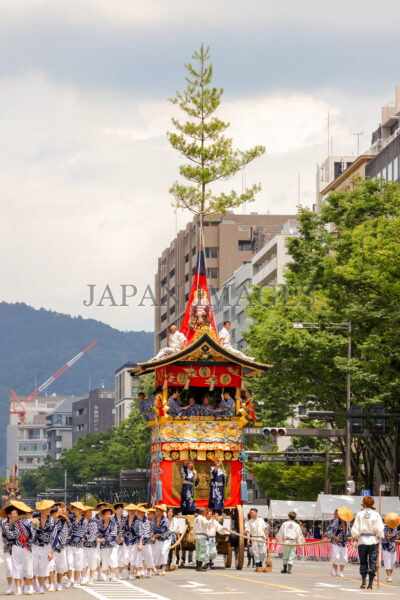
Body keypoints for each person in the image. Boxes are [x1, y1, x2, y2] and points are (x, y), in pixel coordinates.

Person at [2, 501, 35, 596]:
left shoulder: (13, 522)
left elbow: (9, 535)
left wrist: (17, 537)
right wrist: (28, 540)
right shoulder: (30, 522)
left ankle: (18, 588)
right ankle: (28, 588)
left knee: (16, 567)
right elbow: (33, 535)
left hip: (16, 546)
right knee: (28, 567)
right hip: (26, 547)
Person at [351, 495, 384, 590]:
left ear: (363, 503)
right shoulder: (376, 514)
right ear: (372, 503)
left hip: (362, 540)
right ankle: (370, 584)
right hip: (373, 540)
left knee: (363, 561)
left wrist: (354, 535)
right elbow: (380, 528)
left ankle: (363, 582)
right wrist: (380, 535)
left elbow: (356, 527)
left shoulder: (360, 514)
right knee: (373, 561)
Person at [32, 500, 57, 594]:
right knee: (34, 566)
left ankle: (41, 586)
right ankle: (33, 583)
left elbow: (54, 537)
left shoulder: (51, 521)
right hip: (35, 545)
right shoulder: (35, 517)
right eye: (46, 508)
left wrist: (51, 552)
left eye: (49, 508)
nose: (48, 510)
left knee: (43, 567)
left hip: (46, 546)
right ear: (42, 509)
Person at [65, 501, 88, 588]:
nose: (75, 511)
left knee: (78, 564)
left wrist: (68, 537)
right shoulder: (70, 518)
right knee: (70, 562)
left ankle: (75, 581)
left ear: (80, 510)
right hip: (70, 545)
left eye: (77, 509)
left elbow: (80, 535)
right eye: (74, 509)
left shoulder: (84, 521)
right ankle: (69, 580)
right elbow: (67, 529)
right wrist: (68, 536)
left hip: (79, 546)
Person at [326, 507, 352, 578]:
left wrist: (351, 540)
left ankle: (341, 572)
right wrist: (335, 537)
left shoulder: (347, 523)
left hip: (344, 542)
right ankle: (334, 569)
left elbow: (349, 533)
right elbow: (329, 532)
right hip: (336, 542)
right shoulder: (336, 521)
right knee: (336, 557)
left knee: (343, 558)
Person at [98, 507, 118, 582]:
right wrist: (99, 538)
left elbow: (113, 536)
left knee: (112, 559)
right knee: (105, 560)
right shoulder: (99, 523)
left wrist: (101, 539)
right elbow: (98, 532)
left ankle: (113, 575)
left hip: (112, 545)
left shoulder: (113, 524)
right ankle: (106, 575)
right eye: (107, 514)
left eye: (110, 514)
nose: (108, 516)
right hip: (103, 546)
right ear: (103, 515)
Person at [52, 504, 69, 591]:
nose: (59, 511)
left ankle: (58, 584)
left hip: (60, 548)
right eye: (57, 510)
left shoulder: (63, 521)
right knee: (51, 567)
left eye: (60, 509)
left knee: (60, 567)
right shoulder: (49, 521)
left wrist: (57, 545)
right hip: (50, 548)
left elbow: (64, 535)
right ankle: (50, 583)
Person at [133, 506, 154, 578]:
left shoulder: (147, 522)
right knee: (139, 556)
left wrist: (149, 537)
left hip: (147, 541)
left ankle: (148, 571)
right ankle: (138, 571)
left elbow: (149, 532)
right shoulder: (135, 521)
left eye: (140, 511)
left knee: (148, 556)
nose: (138, 513)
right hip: (138, 541)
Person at [151, 504, 171, 576]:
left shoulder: (165, 520)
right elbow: (152, 529)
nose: (157, 512)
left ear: (162, 512)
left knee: (163, 552)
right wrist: (152, 535)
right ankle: (157, 569)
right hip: (157, 539)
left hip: (166, 539)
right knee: (156, 554)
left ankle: (163, 568)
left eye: (159, 511)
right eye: (156, 511)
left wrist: (155, 536)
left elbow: (163, 531)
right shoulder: (154, 519)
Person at [81, 506, 99, 586]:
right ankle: (84, 578)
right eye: (87, 512)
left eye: (90, 512)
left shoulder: (94, 522)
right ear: (83, 513)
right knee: (83, 562)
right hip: (83, 546)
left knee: (92, 562)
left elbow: (93, 535)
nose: (89, 513)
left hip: (92, 546)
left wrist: (84, 537)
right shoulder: (81, 522)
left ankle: (91, 579)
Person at [112, 503, 128, 579]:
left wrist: (123, 536)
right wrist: (116, 537)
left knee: (122, 557)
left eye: (121, 508)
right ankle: (113, 573)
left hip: (123, 540)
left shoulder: (125, 518)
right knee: (114, 557)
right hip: (114, 540)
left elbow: (127, 529)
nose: (120, 510)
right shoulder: (112, 518)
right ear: (115, 510)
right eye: (118, 508)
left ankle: (120, 573)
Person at [381, 515, 398, 582]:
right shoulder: (384, 527)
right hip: (386, 546)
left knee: (393, 562)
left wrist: (394, 536)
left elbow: (396, 536)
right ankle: (388, 576)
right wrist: (390, 536)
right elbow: (384, 537)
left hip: (393, 546)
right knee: (387, 561)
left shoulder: (395, 527)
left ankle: (389, 574)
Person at [123, 504, 137, 580]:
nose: (132, 512)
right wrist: (120, 536)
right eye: (130, 510)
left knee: (132, 558)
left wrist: (140, 543)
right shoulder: (124, 519)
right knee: (125, 557)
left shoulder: (138, 520)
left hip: (135, 541)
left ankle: (131, 573)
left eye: (133, 510)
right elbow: (121, 529)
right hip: (126, 540)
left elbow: (141, 533)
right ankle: (126, 571)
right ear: (128, 511)